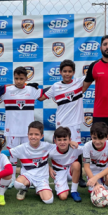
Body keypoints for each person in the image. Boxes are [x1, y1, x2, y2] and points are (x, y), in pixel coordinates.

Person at [38, 59, 88, 187]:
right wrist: (36, 88)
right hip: (61, 123)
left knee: (76, 148)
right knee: (62, 148)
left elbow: (93, 75)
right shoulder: (55, 87)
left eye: (70, 71)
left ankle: (78, 177)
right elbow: (41, 98)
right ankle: (60, 173)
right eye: (64, 71)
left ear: (73, 72)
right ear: (60, 72)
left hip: (75, 123)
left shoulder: (79, 82)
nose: (67, 74)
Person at [0, 66, 43, 188]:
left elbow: (46, 93)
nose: (18, 81)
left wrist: (32, 86)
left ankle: (28, 178)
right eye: (16, 78)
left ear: (26, 78)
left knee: (27, 155)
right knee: (13, 156)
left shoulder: (31, 90)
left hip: (27, 131)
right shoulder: (6, 91)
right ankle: (12, 179)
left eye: (21, 78)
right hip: (12, 130)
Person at [8, 121, 54, 204]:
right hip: (27, 176)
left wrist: (70, 142)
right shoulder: (22, 147)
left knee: (49, 201)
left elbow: (62, 147)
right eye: (31, 134)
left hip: (42, 178)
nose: (33, 137)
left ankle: (39, 189)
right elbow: (7, 152)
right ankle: (24, 188)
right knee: (17, 184)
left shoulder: (47, 146)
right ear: (27, 135)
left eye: (36, 134)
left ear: (41, 136)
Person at [49, 126, 84, 202]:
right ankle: (63, 187)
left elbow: (89, 148)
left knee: (76, 164)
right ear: (55, 141)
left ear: (70, 140)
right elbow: (42, 158)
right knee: (63, 197)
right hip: (59, 173)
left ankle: (74, 191)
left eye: (65, 139)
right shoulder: (52, 151)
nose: (62, 142)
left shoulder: (75, 148)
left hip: (71, 172)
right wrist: (49, 168)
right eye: (59, 140)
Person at [83, 122, 108, 195]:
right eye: (94, 138)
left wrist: (96, 178)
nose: (97, 141)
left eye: (101, 138)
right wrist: (95, 182)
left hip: (106, 171)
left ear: (107, 137)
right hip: (92, 172)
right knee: (94, 193)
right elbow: (86, 167)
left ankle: (104, 191)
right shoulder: (87, 146)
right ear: (91, 136)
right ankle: (99, 188)